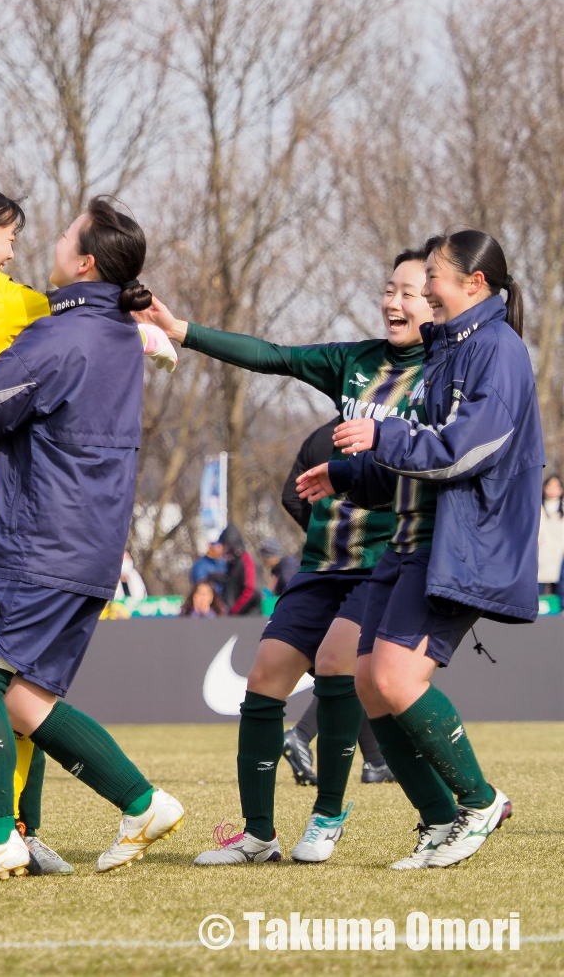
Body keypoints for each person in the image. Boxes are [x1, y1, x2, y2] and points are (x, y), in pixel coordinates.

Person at [0, 196, 185, 883]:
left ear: (86, 261)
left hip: (40, 540)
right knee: (21, 698)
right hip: (90, 547)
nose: (52, 240)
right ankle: (142, 803)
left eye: (67, 234)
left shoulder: (62, 336)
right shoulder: (119, 332)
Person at [141, 246, 434, 865]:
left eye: (408, 293)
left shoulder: (442, 377)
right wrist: (180, 330)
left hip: (384, 564)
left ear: (435, 303)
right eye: (389, 289)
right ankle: (257, 836)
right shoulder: (355, 361)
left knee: (335, 665)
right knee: (264, 677)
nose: (393, 302)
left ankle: (328, 815)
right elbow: (273, 355)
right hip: (324, 560)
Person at [298, 229, 542, 868]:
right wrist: (348, 475)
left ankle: (481, 802)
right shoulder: (448, 350)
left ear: (474, 284)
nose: (424, 287)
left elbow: (467, 451)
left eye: (432, 275)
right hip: (411, 543)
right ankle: (438, 819)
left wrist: (380, 435)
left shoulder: (498, 349)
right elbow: (417, 460)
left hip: (457, 546)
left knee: (394, 678)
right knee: (368, 684)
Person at [217, 524, 261, 615]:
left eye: (225, 546)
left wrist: (235, 610)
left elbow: (251, 590)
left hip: (248, 615)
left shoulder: (246, 560)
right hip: (237, 615)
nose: (224, 550)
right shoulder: (233, 562)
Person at [539, 475, 564, 595]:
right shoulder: (537, 508)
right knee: (538, 593)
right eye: (550, 486)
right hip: (540, 556)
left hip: (560, 556)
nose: (553, 490)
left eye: (556, 487)